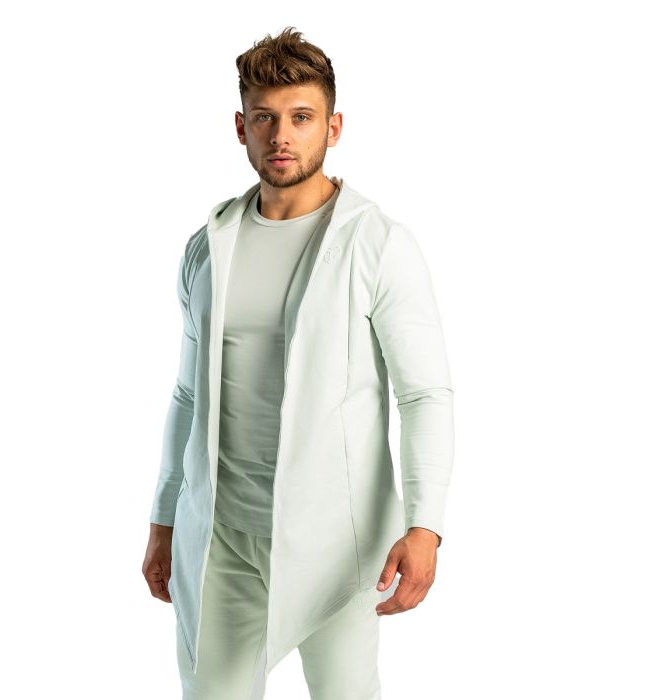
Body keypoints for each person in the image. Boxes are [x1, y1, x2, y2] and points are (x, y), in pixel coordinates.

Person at [142, 26, 455, 700]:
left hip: (337, 546)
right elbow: (188, 395)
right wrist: (164, 518)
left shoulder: (378, 244)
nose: (281, 135)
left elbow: (424, 394)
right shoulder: (208, 246)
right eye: (265, 118)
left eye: (302, 117)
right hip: (222, 540)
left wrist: (425, 526)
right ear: (241, 127)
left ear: (333, 127)